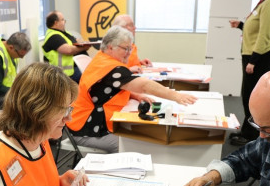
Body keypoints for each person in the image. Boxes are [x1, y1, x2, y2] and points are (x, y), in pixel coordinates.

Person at [67, 25, 198, 153]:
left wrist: (135, 95)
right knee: (133, 146)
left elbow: (107, 89)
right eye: (126, 49)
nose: (129, 53)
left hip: (89, 122)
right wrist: (176, 96)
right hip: (87, 130)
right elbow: (144, 85)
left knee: (139, 138)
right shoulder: (111, 68)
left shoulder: (102, 58)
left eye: (130, 48)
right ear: (110, 47)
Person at [229, 0, 270, 146]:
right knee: (247, 95)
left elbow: (264, 35)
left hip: (260, 57)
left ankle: (251, 135)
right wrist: (242, 25)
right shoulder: (264, 1)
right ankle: (248, 129)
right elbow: (257, 28)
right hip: (253, 54)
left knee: (253, 97)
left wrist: (253, 60)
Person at [42, 10, 91, 83]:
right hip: (66, 74)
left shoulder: (63, 33)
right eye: (62, 20)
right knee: (90, 79)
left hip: (74, 69)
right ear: (56, 22)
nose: (65, 22)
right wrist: (84, 47)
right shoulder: (53, 36)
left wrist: (84, 43)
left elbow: (77, 40)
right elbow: (68, 50)